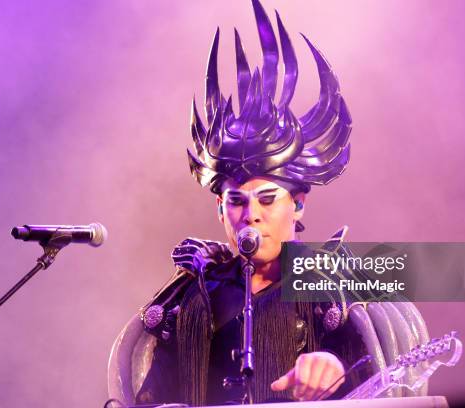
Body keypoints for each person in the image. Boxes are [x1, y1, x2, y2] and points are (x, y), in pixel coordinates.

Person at [110, 0, 427, 406]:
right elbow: (151, 391)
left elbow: (388, 376)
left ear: (297, 205)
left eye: (266, 198)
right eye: (237, 201)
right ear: (221, 210)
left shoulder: (333, 288)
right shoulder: (194, 295)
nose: (251, 215)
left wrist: (336, 370)